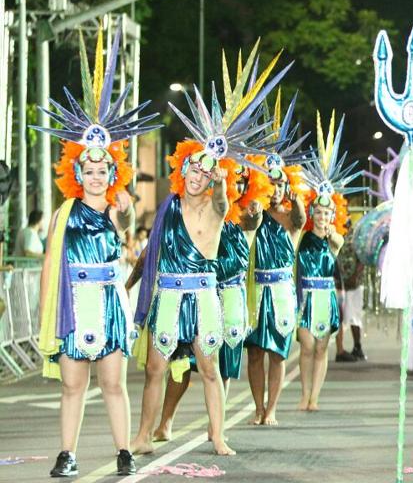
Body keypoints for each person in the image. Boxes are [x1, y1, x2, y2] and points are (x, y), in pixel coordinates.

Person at [130, 51, 284, 456]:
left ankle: (217, 436)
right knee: (155, 369)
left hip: (202, 294)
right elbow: (152, 253)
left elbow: (221, 200)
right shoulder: (168, 207)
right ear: (182, 171)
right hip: (168, 293)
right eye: (193, 171)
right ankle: (143, 435)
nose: (198, 177)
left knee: (210, 369)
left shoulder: (219, 207)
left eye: (205, 172)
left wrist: (219, 180)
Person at [35, 27, 161, 477]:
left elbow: (126, 224)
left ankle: (123, 451)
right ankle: (67, 453)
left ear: (112, 171)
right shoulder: (62, 214)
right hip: (73, 305)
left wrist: (124, 207)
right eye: (88, 169)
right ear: (77, 171)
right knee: (72, 386)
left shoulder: (115, 207)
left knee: (112, 384)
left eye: (102, 169)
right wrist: (44, 318)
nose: (94, 176)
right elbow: (52, 267)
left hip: (109, 303)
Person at [244, 92, 309, 426]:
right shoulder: (254, 211)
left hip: (281, 291)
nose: (275, 187)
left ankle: (272, 410)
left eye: (280, 181)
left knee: (277, 352)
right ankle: (258, 407)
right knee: (254, 352)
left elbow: (300, 219)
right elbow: (248, 224)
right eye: (269, 182)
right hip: (256, 289)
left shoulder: (291, 216)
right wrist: (254, 206)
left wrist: (295, 200)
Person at [296, 111, 361, 410]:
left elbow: (339, 242)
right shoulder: (302, 236)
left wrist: (330, 230)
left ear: (333, 215)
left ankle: (314, 398)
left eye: (326, 213)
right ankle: (303, 393)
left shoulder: (333, 238)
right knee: (306, 346)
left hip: (326, 297)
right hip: (306, 297)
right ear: (312, 214)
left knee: (321, 348)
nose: (322, 217)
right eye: (318, 213)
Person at [335, 232, 367, 362]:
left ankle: (356, 346)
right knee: (339, 317)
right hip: (339, 283)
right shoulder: (332, 237)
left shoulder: (355, 238)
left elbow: (362, 259)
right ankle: (340, 350)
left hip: (353, 284)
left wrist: (355, 276)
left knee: (354, 316)